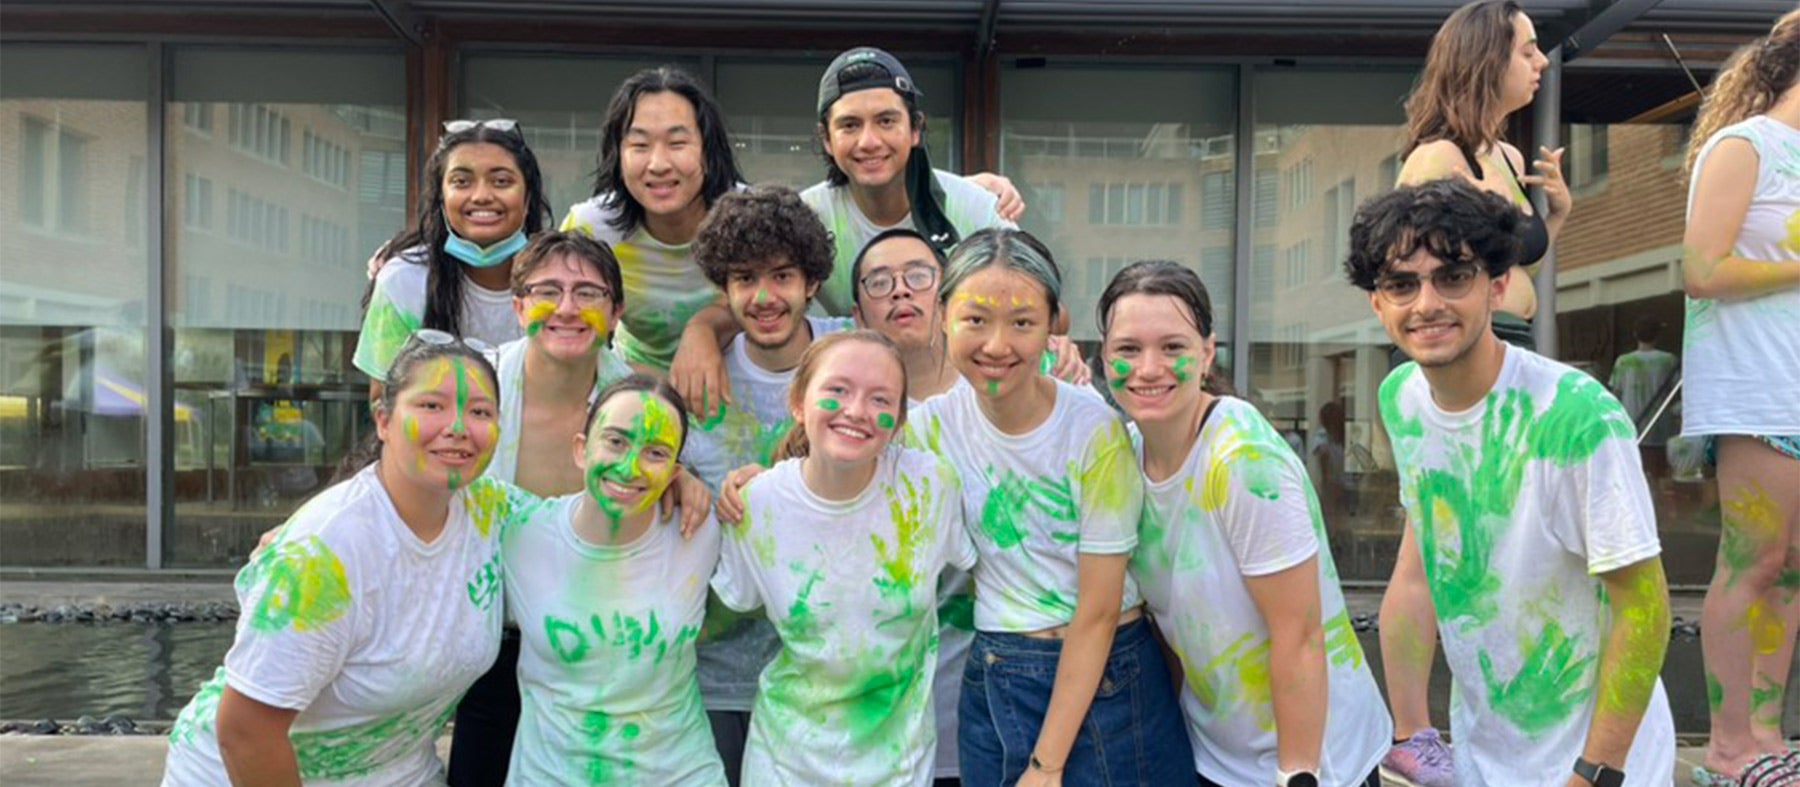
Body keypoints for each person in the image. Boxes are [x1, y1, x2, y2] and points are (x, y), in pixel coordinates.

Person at [1346, 179, 1673, 786]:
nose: (1426, 304)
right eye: (1401, 283)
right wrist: (1411, 735)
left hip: (1599, 761)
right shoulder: (1402, 398)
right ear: (1377, 303)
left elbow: (1644, 607)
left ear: (1496, 286)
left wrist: (1595, 772)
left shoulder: (1577, 416)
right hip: (1485, 758)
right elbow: (1417, 573)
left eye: (1452, 277)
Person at [163, 333, 538, 785]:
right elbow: (245, 730)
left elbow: (576, 527)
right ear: (383, 420)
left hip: (398, 772)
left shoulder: (490, 511)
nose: (458, 426)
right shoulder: (324, 551)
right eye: (432, 406)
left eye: (479, 412)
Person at [909, 228, 1192, 785]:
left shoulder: (1093, 429)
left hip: (1108, 676)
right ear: (942, 315)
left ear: (1053, 324)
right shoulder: (929, 428)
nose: (996, 345)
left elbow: (1099, 610)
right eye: (975, 320)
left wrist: (1046, 765)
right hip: (996, 675)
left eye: (1022, 322)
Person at [1099, 260, 1391, 786]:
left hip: (1314, 763)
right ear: (1103, 356)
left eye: (1172, 348)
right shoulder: (1128, 454)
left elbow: (1299, 635)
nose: (1148, 368)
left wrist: (1296, 776)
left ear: (1206, 354)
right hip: (1218, 758)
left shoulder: (1243, 460)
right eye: (1128, 349)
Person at [1382, 3, 1575, 779]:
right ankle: (1411, 731)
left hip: (1511, 353)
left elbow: (1509, 271)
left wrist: (1554, 216)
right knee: (1429, 548)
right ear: (1486, 56)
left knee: (1485, 542)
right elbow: (1413, 279)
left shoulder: (1496, 151)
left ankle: (1475, 719)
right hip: (1454, 364)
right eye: (1528, 48)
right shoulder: (1438, 158)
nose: (1542, 62)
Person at [670, 47, 1039, 419]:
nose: (868, 141)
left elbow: (1050, 313)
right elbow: (755, 295)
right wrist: (699, 333)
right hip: (865, 399)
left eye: (886, 121)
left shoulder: (971, 207)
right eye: (849, 125)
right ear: (827, 139)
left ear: (915, 129)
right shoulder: (807, 216)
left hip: (966, 398)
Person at [712, 330, 976, 786]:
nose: (857, 411)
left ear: (897, 421)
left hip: (900, 764)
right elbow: (725, 605)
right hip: (786, 763)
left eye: (880, 399)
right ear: (798, 402)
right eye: (837, 390)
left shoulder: (929, 488)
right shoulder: (757, 505)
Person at [680, 183, 848, 784]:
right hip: (718, 674)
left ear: (810, 281)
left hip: (829, 678)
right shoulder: (696, 383)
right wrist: (678, 478)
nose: (765, 296)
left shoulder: (853, 355)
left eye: (782, 276)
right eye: (745, 278)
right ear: (723, 290)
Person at [500, 374, 726, 785]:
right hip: (550, 775)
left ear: (675, 471)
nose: (629, 466)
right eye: (616, 442)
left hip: (678, 774)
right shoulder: (519, 530)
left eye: (655, 453)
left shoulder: (700, 529)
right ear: (581, 449)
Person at [1681, 11, 1800, 785]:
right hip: (1758, 390)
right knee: (1752, 563)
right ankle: (1728, 747)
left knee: (1788, 570)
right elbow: (1702, 268)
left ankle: (1765, 735)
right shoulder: (1744, 145)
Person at [559, 66, 749, 374]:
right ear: (617, 154)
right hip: (631, 384)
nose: (658, 164)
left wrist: (705, 327)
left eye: (677, 144)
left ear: (708, 150)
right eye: (639, 145)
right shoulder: (591, 229)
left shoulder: (750, 221)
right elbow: (561, 319)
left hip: (738, 387)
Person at [355, 119, 553, 389]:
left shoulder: (561, 281)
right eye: (461, 181)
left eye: (501, 181)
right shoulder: (404, 281)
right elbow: (383, 400)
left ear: (528, 198)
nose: (482, 196)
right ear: (441, 199)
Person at [1606, 317, 1678, 483]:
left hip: (1631, 426)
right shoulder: (1669, 360)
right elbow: (1675, 393)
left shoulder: (1623, 362)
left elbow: (1615, 393)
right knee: (1660, 474)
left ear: (1635, 335)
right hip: (1660, 426)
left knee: (1634, 476)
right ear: (1657, 336)